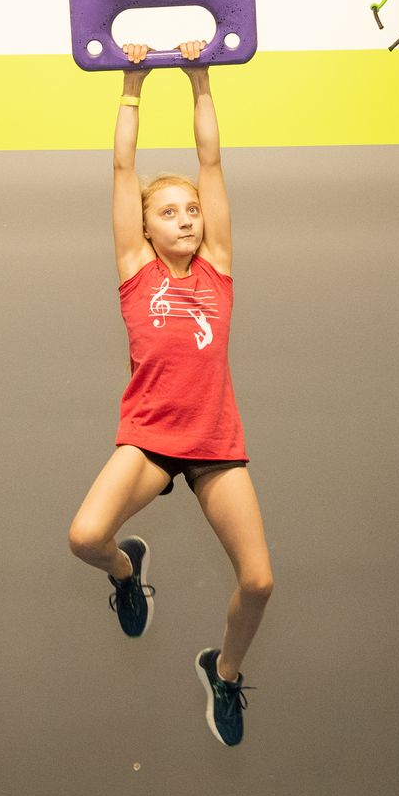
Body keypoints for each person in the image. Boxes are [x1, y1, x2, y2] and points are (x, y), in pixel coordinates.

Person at [65, 40, 273, 747]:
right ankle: (129, 572)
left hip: (214, 445)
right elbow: (123, 167)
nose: (186, 218)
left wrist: (200, 76)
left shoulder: (216, 271)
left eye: (192, 211)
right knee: (86, 536)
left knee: (261, 582)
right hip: (151, 439)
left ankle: (227, 670)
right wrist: (131, 79)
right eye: (171, 212)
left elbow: (211, 161)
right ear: (147, 228)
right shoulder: (135, 271)